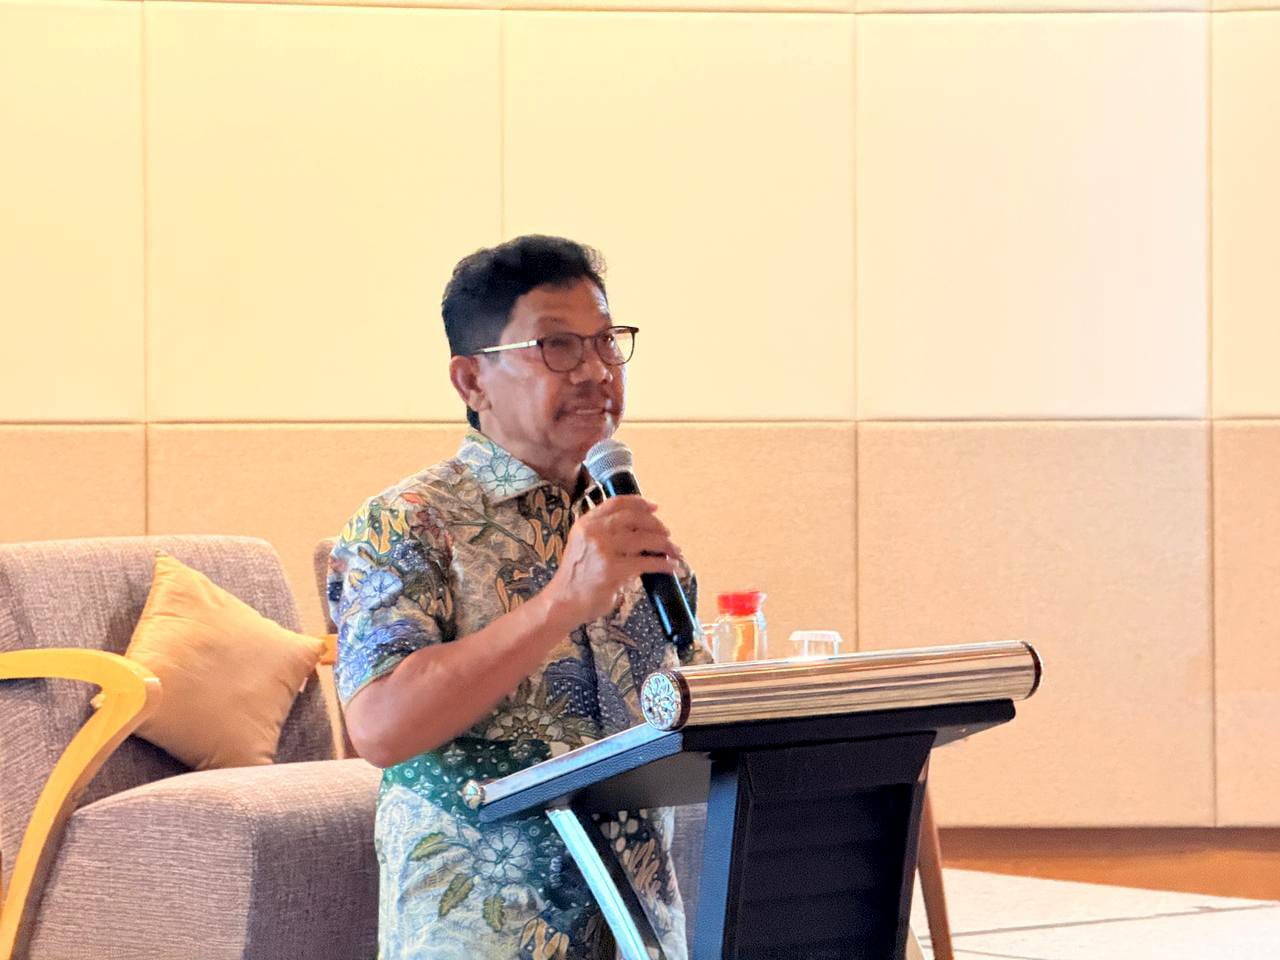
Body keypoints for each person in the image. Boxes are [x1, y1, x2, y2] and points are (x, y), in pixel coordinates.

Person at [328, 235, 707, 960]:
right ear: (471, 380)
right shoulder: (407, 522)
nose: (596, 371)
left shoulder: (624, 531)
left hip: (640, 935)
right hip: (483, 936)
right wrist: (562, 603)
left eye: (606, 342)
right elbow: (378, 727)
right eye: (557, 346)